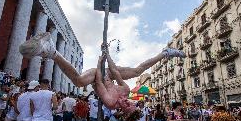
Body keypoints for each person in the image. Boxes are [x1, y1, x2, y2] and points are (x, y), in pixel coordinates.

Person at [19, 32, 186, 88]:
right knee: (137, 71)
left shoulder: (119, 95)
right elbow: (112, 71)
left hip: (102, 74)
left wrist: (104, 54)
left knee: (138, 71)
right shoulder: (123, 92)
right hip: (103, 72)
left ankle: (165, 53)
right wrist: (104, 54)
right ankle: (52, 51)